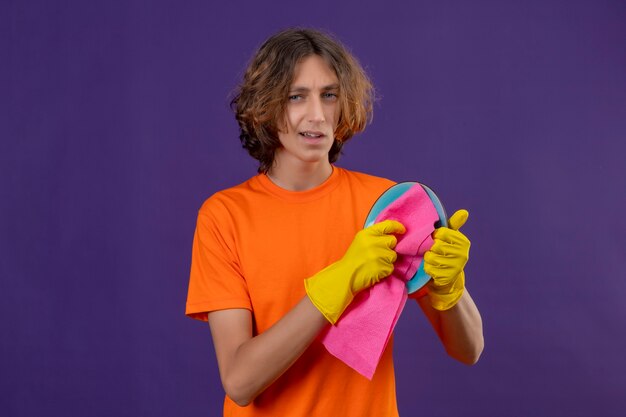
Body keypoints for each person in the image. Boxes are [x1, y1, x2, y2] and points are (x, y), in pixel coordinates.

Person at [186, 28, 483, 416]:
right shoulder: (224, 215)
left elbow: (469, 349)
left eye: (329, 95)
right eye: (296, 97)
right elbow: (240, 381)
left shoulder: (386, 205)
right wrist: (337, 283)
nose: (317, 114)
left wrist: (449, 288)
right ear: (264, 107)